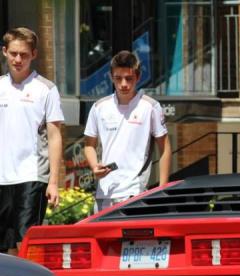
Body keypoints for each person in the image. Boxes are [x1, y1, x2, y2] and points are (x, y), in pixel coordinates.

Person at [0, 27, 64, 255]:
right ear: (4, 51)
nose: (18, 59)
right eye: (14, 53)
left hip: (32, 175)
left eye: (24, 54)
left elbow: (55, 136)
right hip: (2, 176)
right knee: (5, 247)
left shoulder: (46, 89)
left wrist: (54, 182)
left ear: (34, 55)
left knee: (25, 242)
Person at [84, 50, 171, 212]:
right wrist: (95, 166)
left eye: (129, 78)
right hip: (105, 194)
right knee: (103, 237)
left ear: (138, 77)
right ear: (111, 77)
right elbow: (89, 145)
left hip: (135, 193)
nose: (123, 84)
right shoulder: (99, 107)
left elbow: (165, 147)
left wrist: (162, 188)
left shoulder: (150, 107)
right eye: (118, 78)